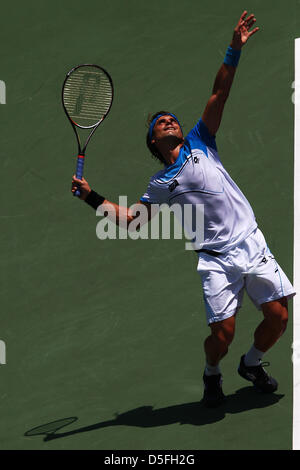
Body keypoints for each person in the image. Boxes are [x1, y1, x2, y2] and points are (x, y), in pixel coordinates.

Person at [71, 11, 295, 407]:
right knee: (221, 336)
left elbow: (218, 94)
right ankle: (213, 372)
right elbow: (131, 221)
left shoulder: (201, 140)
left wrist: (234, 49)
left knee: (279, 317)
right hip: (216, 261)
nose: (169, 121)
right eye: (161, 123)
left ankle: (253, 363)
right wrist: (91, 196)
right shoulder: (160, 185)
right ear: (154, 141)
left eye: (171, 118)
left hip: (251, 244)